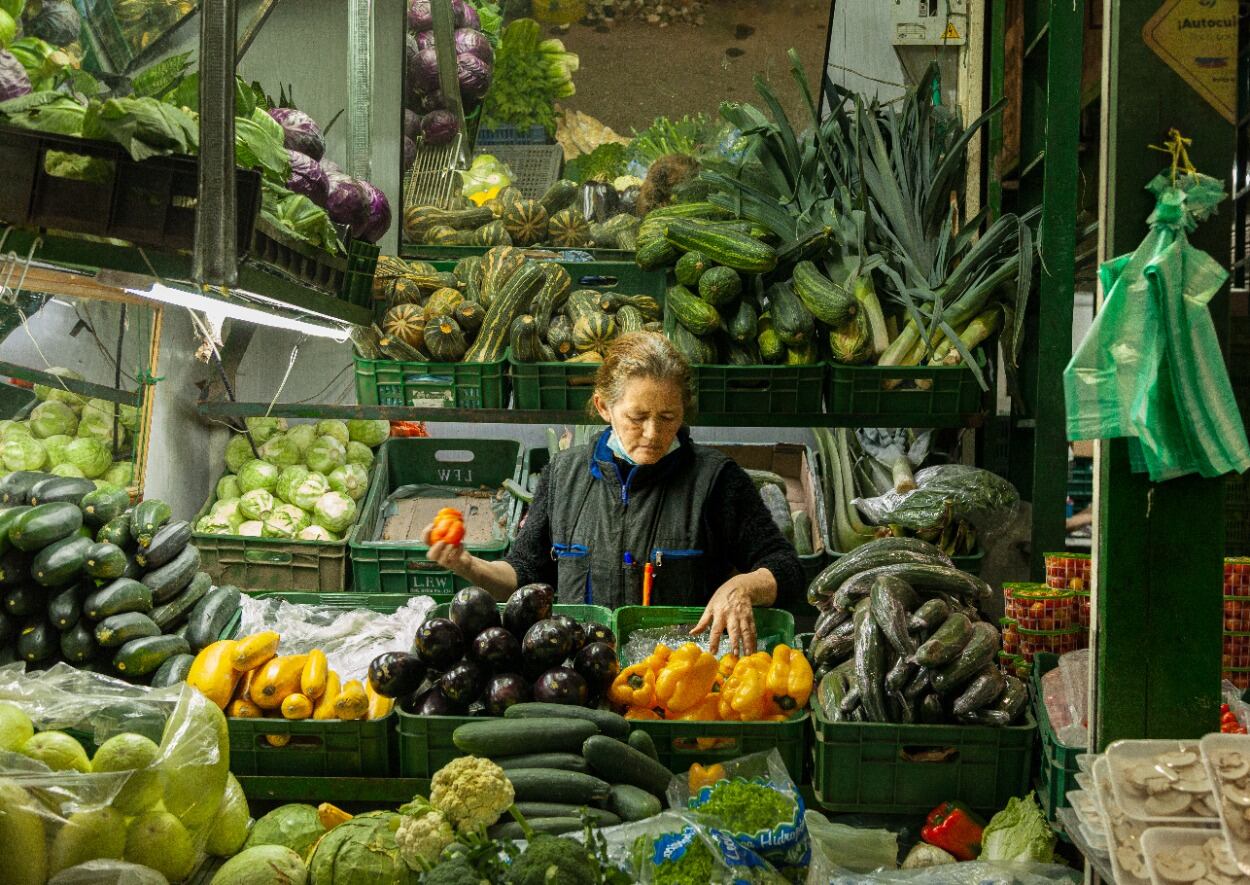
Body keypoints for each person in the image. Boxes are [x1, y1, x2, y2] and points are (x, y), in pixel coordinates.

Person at [423, 331, 805, 654]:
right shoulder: (563, 474)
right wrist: (468, 565)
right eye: (637, 418)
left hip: (676, 678)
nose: (653, 433)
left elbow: (787, 568)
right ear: (603, 406)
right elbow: (523, 573)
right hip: (577, 673)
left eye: (668, 417)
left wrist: (745, 586)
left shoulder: (716, 479)